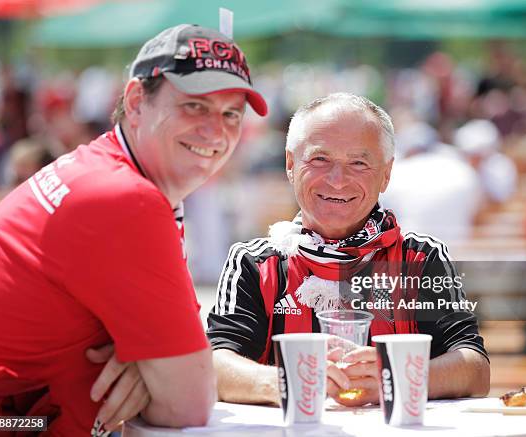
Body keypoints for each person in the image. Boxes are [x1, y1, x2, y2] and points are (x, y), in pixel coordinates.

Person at [0, 24, 267, 436]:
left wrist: (151, 358)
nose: (215, 131)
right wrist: (157, 364)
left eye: (230, 114)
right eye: (195, 107)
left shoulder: (105, 169)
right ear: (135, 101)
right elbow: (188, 404)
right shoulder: (127, 198)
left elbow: (182, 366)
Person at [207, 93, 489, 407]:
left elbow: (475, 368)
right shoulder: (255, 263)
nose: (338, 180)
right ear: (290, 165)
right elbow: (216, 365)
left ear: (386, 174)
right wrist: (292, 381)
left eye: (358, 163)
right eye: (320, 159)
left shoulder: (421, 259)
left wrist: (396, 377)